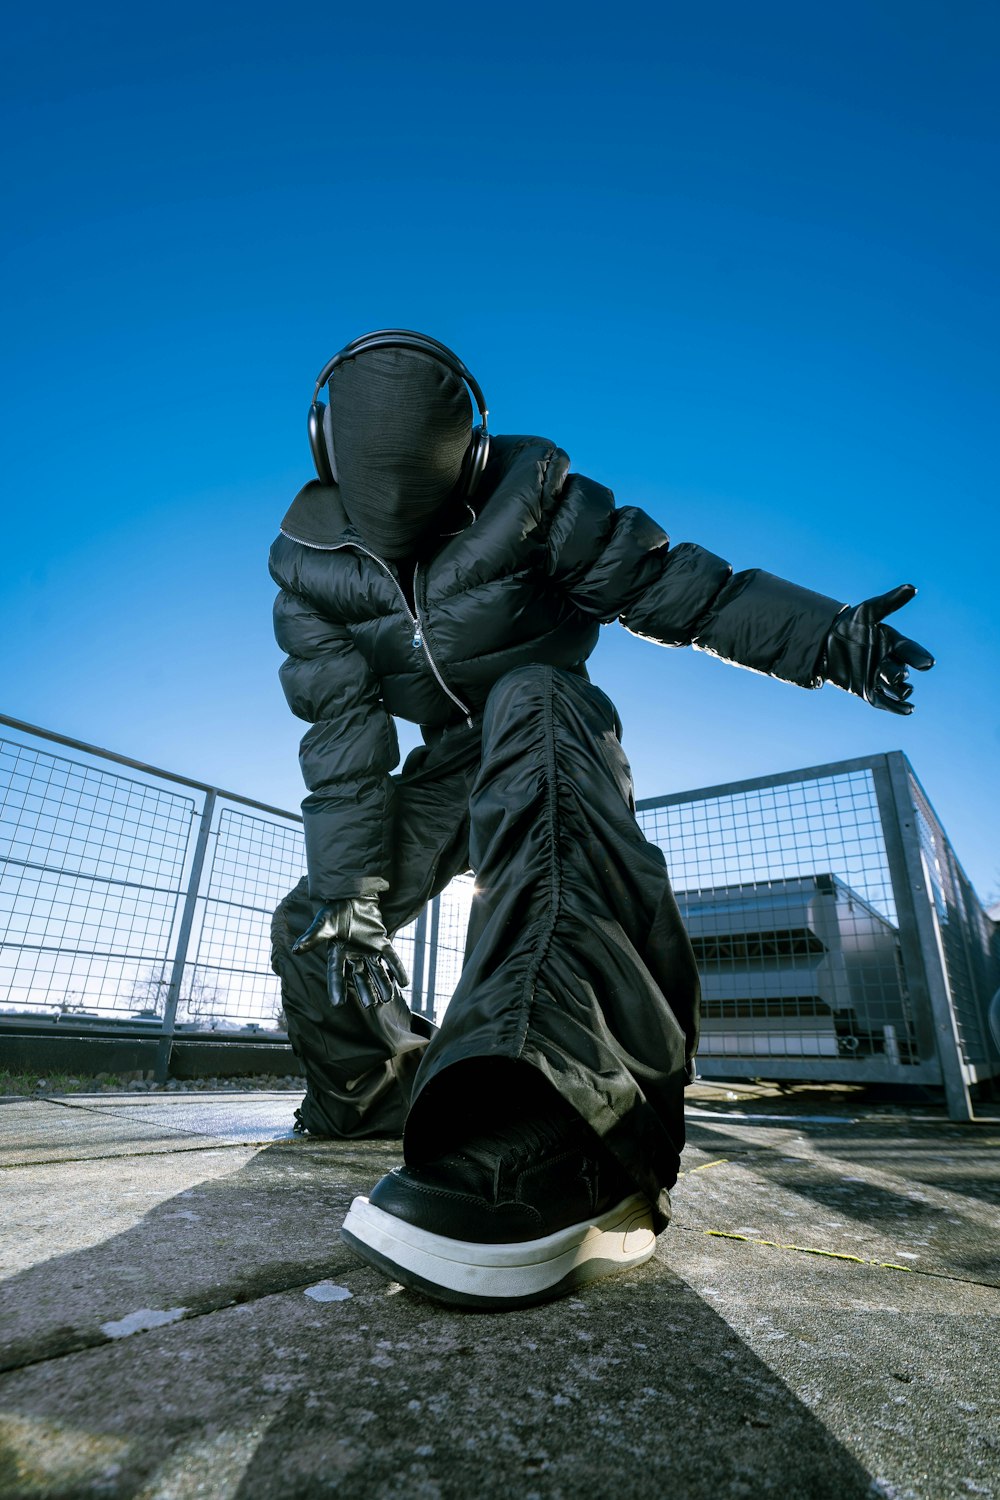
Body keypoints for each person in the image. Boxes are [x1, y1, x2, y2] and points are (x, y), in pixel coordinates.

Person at [268, 329, 933, 1310]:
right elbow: (343, 751)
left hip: (548, 729)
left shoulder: (537, 498)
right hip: (444, 766)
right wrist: (348, 897)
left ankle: (559, 1105)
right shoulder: (310, 566)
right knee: (317, 923)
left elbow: (678, 589)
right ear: (326, 452)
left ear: (472, 451)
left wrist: (823, 637)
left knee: (534, 704)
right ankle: (364, 1099)